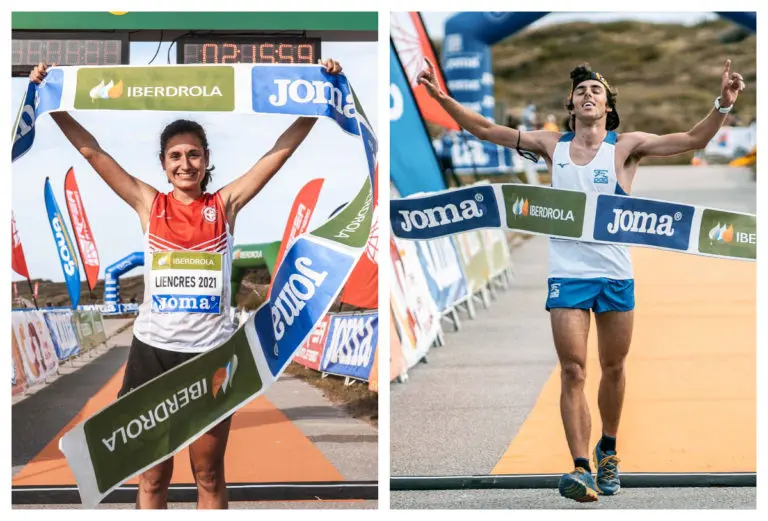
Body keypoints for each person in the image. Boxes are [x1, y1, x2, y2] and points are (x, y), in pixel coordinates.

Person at [418, 58, 745, 502]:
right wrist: (440, 98)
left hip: (614, 274)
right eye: (581, 91)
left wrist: (722, 105)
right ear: (571, 105)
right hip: (568, 274)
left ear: (608, 106)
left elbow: (692, 139)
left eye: (596, 90)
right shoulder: (552, 145)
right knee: (573, 369)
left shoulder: (625, 146)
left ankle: (608, 447)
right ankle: (580, 468)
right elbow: (486, 130)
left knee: (613, 368)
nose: (588, 94)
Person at [30, 58, 344, 509]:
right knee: (153, 478)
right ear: (163, 164)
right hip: (152, 356)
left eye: (193, 154)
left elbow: (279, 152)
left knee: (209, 474)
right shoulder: (147, 203)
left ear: (206, 160)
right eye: (175, 156)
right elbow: (93, 153)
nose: (185, 163)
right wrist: (52, 105)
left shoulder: (226, 204)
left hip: (210, 359)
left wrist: (319, 94)